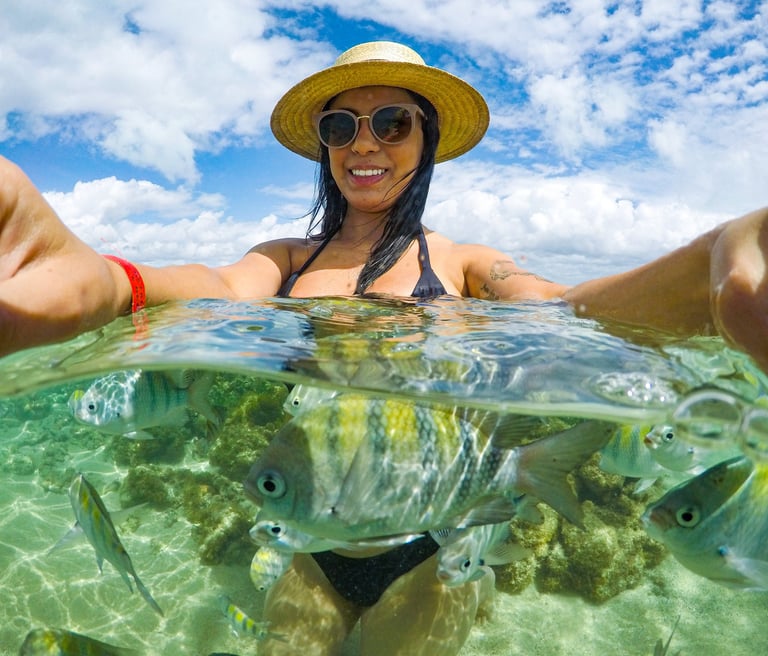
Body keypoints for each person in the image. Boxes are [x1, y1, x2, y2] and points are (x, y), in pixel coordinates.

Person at [0, 40, 767, 654]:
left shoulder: (463, 263)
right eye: (341, 127)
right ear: (324, 146)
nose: (363, 143)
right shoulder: (284, 260)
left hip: (433, 546)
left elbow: (561, 309)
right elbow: (216, 286)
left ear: (426, 140)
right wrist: (113, 282)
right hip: (316, 544)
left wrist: (701, 273)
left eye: (392, 123)